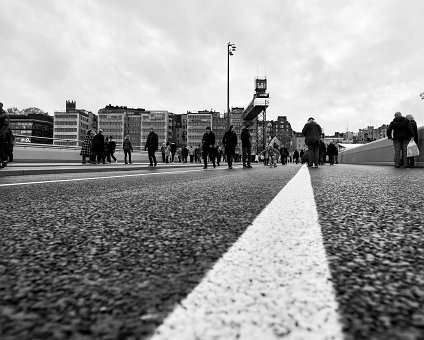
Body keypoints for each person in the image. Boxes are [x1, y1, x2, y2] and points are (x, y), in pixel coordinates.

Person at [0, 102, 9, 168]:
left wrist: (0, 133)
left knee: (0, 149)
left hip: (1, 135)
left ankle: (3, 161)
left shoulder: (4, 115)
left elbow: (5, 126)